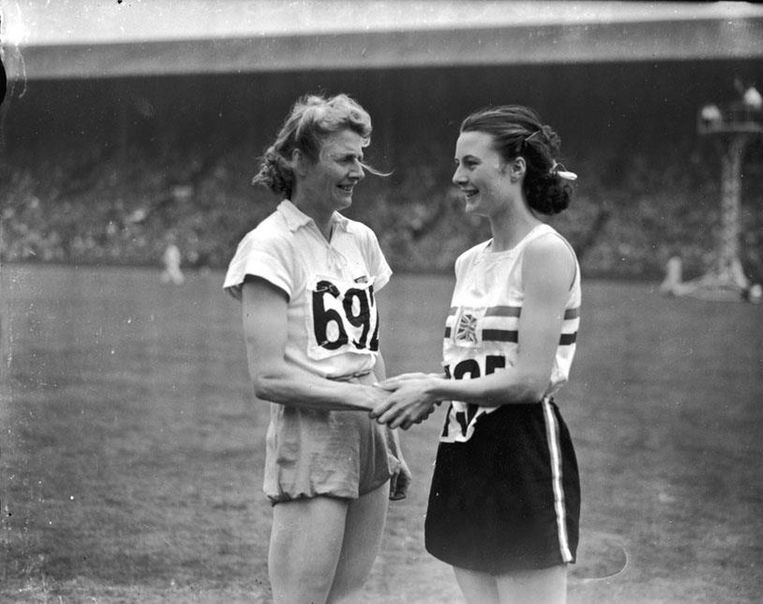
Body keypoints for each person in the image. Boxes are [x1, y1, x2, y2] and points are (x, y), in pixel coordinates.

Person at [373, 105, 582, 604]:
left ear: (516, 167)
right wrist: (427, 382)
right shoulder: (468, 262)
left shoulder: (545, 252)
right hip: (464, 445)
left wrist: (437, 388)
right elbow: (475, 362)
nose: (457, 177)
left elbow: (530, 381)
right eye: (457, 164)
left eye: (470, 164)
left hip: (521, 446)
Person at [222, 93, 410, 604]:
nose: (359, 171)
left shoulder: (362, 240)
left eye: (360, 157)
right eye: (345, 159)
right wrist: (367, 400)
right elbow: (269, 378)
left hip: (368, 431)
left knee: (347, 594)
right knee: (302, 598)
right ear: (300, 161)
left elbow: (369, 352)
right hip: (312, 430)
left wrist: (391, 441)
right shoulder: (270, 245)